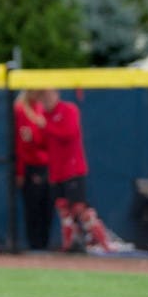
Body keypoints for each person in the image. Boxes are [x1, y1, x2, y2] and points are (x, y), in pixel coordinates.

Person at [38, 89, 113, 252]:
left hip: (73, 169)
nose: (45, 99)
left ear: (56, 94)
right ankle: (70, 244)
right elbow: (44, 144)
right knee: (63, 209)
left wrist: (46, 125)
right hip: (56, 172)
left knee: (80, 208)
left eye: (48, 95)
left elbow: (68, 133)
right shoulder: (44, 115)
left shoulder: (69, 109)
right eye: (42, 97)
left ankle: (104, 243)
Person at [14, 90, 52, 250]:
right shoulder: (20, 110)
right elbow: (22, 144)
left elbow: (46, 138)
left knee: (47, 207)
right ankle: (35, 245)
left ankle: (43, 244)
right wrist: (20, 172)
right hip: (31, 166)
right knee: (33, 207)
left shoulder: (41, 109)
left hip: (46, 165)